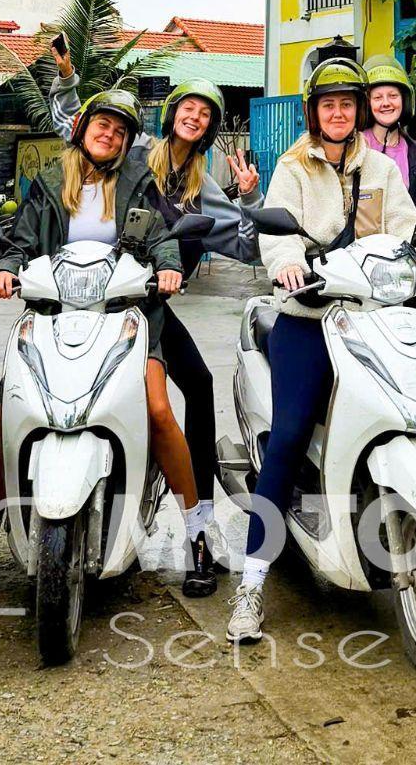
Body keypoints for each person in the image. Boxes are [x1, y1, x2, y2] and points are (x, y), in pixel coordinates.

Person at [224, 59, 416, 643]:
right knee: (291, 433)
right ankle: (252, 580)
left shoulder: (380, 168)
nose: (339, 112)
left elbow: (403, 228)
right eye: (329, 104)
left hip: (377, 317)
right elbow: (277, 234)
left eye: (348, 103)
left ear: (360, 110)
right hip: (311, 317)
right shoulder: (294, 167)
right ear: (314, 112)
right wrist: (289, 264)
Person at [0, 70, 201, 593]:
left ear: (127, 142)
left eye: (119, 131)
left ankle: (197, 531)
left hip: (126, 316)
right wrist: (4, 269)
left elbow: (163, 237)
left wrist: (170, 266)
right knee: (3, 420)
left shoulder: (138, 182)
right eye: (102, 124)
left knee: (157, 410)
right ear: (83, 126)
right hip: (52, 317)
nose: (108, 134)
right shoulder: (48, 182)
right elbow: (20, 243)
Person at [134, 76, 262, 596]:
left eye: (206, 114)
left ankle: (199, 528)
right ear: (171, 113)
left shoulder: (203, 187)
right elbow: (80, 131)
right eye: (189, 107)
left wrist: (252, 197)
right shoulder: (136, 154)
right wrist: (70, 80)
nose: (197, 116)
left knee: (201, 384)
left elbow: (248, 247)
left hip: (156, 309)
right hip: (99, 302)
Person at [361, 54, 416, 205]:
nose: (386, 103)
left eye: (393, 96)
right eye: (378, 98)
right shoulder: (355, 146)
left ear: (405, 101)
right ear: (367, 104)